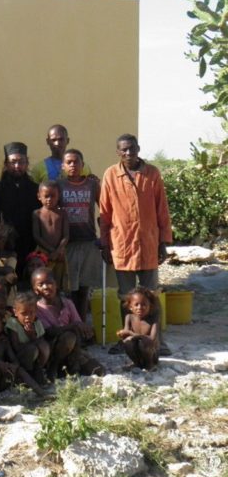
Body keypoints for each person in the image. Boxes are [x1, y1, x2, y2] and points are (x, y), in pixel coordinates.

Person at [99, 134, 172, 355]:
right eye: (124, 150)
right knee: (125, 296)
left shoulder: (152, 174)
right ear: (118, 152)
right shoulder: (111, 175)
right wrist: (104, 245)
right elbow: (104, 213)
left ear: (138, 148)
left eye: (132, 149)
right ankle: (126, 340)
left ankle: (157, 340)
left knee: (151, 295)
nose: (129, 153)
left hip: (149, 243)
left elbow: (162, 209)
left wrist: (163, 242)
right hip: (121, 245)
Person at [32, 267, 104, 379]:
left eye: (49, 283)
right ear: (35, 289)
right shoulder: (37, 309)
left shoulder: (67, 303)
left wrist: (84, 330)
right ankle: (54, 367)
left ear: (56, 284)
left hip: (72, 348)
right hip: (52, 349)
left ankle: (73, 363)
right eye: (41, 285)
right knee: (69, 336)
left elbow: (78, 324)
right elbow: (49, 332)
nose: (45, 287)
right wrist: (74, 326)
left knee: (99, 370)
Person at [58, 149, 102, 321]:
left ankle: (82, 325)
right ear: (63, 166)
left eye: (76, 162)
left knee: (84, 289)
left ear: (83, 165)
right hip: (68, 243)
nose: (73, 165)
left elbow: (104, 209)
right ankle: (71, 326)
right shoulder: (59, 185)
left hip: (88, 241)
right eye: (69, 162)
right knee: (69, 290)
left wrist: (104, 236)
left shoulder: (91, 184)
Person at [0, 307, 44, 403]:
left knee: (19, 369)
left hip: (3, 380)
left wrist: (12, 366)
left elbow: (14, 359)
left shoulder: (3, 342)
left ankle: (40, 392)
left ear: (1, 327)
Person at [0, 142, 40, 279]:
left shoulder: (35, 189)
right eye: (13, 162)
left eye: (21, 162)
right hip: (6, 245)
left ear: (27, 164)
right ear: (6, 164)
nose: (17, 166)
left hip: (31, 243)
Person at [32, 180, 69, 292]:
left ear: (58, 196)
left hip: (60, 254)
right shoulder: (37, 213)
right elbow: (36, 235)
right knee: (42, 281)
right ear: (39, 196)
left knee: (58, 283)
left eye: (53, 196)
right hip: (43, 254)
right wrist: (51, 251)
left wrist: (58, 251)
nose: (49, 199)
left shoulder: (62, 213)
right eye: (46, 196)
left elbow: (66, 235)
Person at [6, 291, 50, 385]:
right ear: (15, 312)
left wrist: (32, 335)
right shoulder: (13, 323)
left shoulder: (37, 323)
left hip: (36, 359)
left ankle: (39, 369)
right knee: (32, 349)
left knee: (44, 346)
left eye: (31, 313)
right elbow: (16, 347)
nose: (28, 317)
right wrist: (32, 342)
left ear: (36, 311)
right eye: (24, 313)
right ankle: (27, 374)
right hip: (20, 358)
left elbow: (42, 342)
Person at [116, 286, 161, 370]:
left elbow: (151, 339)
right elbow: (126, 334)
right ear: (130, 307)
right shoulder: (129, 317)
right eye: (136, 305)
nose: (139, 308)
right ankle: (136, 363)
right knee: (127, 342)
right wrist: (122, 334)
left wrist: (131, 334)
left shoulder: (153, 320)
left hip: (151, 354)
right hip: (137, 351)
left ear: (150, 306)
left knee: (142, 342)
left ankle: (149, 365)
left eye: (144, 305)